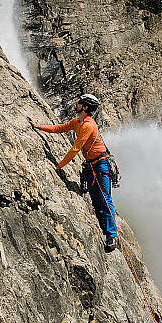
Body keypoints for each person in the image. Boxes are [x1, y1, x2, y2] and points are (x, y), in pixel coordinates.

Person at [29, 95, 119, 252]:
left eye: (79, 102)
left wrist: (59, 166)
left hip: (101, 164)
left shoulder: (87, 126)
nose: (75, 103)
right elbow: (59, 128)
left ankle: (112, 236)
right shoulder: (77, 122)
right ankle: (104, 230)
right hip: (91, 166)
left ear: (84, 107)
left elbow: (76, 148)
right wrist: (38, 126)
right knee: (96, 201)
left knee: (105, 199)